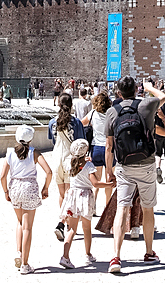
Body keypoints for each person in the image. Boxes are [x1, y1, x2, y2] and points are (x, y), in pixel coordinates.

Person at [104, 77, 165, 274]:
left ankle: (116, 256)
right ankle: (148, 252)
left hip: (124, 165)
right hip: (147, 163)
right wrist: (149, 88)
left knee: (122, 208)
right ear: (136, 89)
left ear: (119, 92)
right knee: (148, 208)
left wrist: (108, 171)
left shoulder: (112, 112)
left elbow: (109, 146)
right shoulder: (146, 104)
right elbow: (164, 96)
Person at [0, 124, 53, 275]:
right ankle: (25, 264)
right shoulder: (34, 153)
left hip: (15, 187)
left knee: (20, 222)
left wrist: (6, 191)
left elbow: (2, 176)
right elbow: (49, 172)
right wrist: (45, 187)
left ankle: (18, 252)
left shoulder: (10, 153)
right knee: (28, 227)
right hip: (29, 187)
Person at [58, 139, 111, 269]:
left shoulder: (69, 163)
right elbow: (95, 183)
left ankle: (65, 256)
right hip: (85, 197)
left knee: (72, 229)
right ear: (85, 151)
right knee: (87, 228)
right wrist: (109, 184)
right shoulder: (89, 166)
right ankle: (88, 254)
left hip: (72, 196)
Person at [49, 92, 85, 241]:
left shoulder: (52, 122)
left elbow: (52, 140)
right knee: (71, 194)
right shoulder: (76, 122)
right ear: (71, 105)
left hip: (57, 158)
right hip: (70, 160)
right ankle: (65, 223)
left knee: (62, 194)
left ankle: (65, 222)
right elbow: (80, 143)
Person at [82, 91, 112, 213]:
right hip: (109, 147)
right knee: (109, 178)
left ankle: (93, 207)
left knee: (97, 180)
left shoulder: (93, 113)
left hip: (96, 148)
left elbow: (82, 122)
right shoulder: (111, 113)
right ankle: (107, 206)